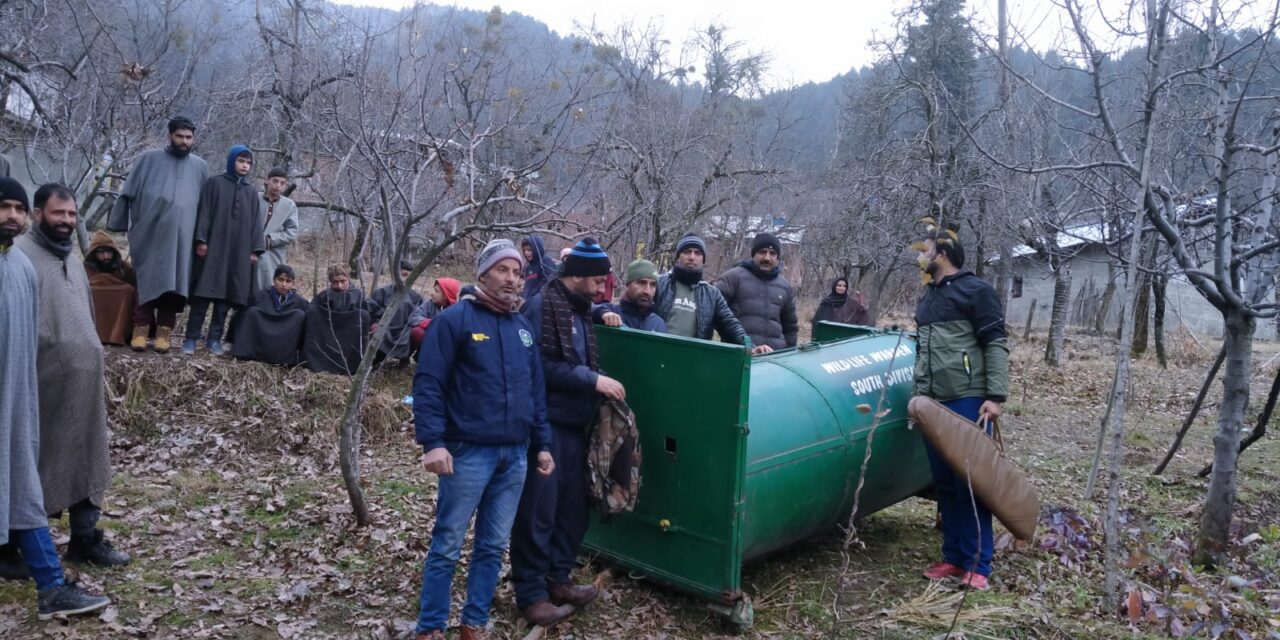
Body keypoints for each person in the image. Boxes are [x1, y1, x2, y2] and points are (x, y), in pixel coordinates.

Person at [412, 240, 558, 640]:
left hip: (515, 455)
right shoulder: (455, 321)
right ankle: (431, 627)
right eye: (503, 270)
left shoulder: (522, 329)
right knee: (447, 544)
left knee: (492, 546)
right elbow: (428, 386)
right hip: (467, 453)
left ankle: (473, 622)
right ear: (482, 275)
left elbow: (536, 394)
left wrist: (542, 444)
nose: (512, 278)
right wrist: (432, 442)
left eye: (516, 271)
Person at [0, 178, 112, 619]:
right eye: (3, 207)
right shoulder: (26, 257)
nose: (11, 215)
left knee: (23, 480)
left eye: (16, 208)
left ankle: (52, 583)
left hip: (19, 394)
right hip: (30, 389)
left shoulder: (18, 266)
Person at [13, 184, 130, 570]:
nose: (65, 221)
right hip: (36, 385)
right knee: (30, 461)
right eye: (57, 213)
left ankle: (84, 537)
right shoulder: (21, 258)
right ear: (37, 213)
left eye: (71, 214)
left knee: (87, 457)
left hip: (83, 385)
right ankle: (11, 542)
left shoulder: (73, 260)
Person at [511, 237, 626, 626]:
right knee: (538, 511)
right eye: (597, 282)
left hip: (576, 425)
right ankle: (530, 593)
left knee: (572, 509)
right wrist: (591, 380)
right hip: (545, 426)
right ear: (577, 276)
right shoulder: (542, 306)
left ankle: (558, 578)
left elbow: (578, 358)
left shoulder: (580, 310)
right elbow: (536, 366)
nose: (601, 289)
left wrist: (600, 378)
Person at [913, 231, 1010, 592]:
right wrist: (918, 400)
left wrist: (996, 396)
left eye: (927, 249)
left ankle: (977, 565)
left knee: (970, 483)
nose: (922, 254)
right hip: (931, 402)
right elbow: (922, 353)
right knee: (945, 484)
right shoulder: (930, 296)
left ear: (946, 252)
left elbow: (996, 343)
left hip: (967, 398)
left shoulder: (976, 291)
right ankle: (953, 558)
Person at [107, 116, 209, 353]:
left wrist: (202, 238)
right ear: (169, 136)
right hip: (150, 233)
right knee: (147, 279)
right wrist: (120, 224)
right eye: (179, 136)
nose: (184, 141)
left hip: (184, 239)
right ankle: (140, 330)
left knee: (174, 284)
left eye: (188, 137)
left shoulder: (200, 167)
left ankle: (164, 333)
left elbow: (206, 207)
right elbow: (128, 192)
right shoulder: (148, 159)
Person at [184, 145, 266, 356]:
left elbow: (257, 224)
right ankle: (191, 339)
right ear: (231, 161)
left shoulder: (251, 193)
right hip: (213, 249)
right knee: (203, 294)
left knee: (226, 298)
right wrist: (201, 240)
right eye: (241, 161)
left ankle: (214, 340)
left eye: (248, 162)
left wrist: (255, 250)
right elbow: (204, 213)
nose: (244, 166)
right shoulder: (215, 183)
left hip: (238, 253)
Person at [653, 234, 762, 352]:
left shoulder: (712, 294)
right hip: (657, 353)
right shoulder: (659, 284)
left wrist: (751, 348)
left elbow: (730, 325)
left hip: (694, 360)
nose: (692, 257)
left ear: (703, 260)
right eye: (687, 252)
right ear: (678, 257)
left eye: (697, 253)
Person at [715, 232, 798, 352]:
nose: (767, 258)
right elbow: (716, 314)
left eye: (772, 253)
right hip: (740, 355)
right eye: (762, 252)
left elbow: (790, 327)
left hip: (775, 358)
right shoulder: (733, 278)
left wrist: (788, 354)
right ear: (754, 254)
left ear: (777, 258)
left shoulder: (785, 287)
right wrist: (742, 346)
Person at [230, 265, 310, 366]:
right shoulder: (259, 296)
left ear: (293, 283)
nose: (283, 284)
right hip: (260, 343)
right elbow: (240, 318)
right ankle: (248, 353)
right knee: (252, 312)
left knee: (299, 315)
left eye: (288, 281)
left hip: (283, 349)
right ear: (273, 280)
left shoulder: (301, 303)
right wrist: (231, 340)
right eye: (280, 280)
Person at [304, 264, 371, 375]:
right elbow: (313, 312)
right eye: (335, 282)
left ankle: (352, 364)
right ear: (330, 282)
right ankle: (318, 361)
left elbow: (366, 314)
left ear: (348, 279)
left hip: (350, 338)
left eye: (343, 281)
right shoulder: (324, 296)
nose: (339, 286)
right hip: (327, 335)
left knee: (363, 315)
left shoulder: (357, 295)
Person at [83, 231, 137, 346]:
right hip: (88, 332)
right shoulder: (85, 269)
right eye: (101, 252)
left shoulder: (123, 268)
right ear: (93, 253)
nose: (106, 256)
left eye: (109, 251)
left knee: (128, 291)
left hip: (122, 330)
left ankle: (118, 335)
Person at [366, 261, 424, 367]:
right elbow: (371, 313)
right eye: (403, 275)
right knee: (376, 330)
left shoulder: (416, 297)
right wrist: (376, 324)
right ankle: (378, 357)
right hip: (384, 327)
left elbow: (419, 317)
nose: (405, 279)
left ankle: (404, 358)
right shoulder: (381, 292)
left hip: (404, 331)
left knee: (417, 332)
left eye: (409, 276)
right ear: (396, 274)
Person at [255, 167, 300, 294]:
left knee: (268, 288)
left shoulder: (289, 205)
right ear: (267, 180)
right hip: (249, 251)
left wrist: (270, 239)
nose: (277, 186)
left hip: (273, 254)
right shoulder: (254, 198)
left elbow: (292, 231)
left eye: (282, 183)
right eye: (275, 181)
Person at [591, 259, 667, 332]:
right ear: (627, 285)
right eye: (641, 283)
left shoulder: (658, 324)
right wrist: (602, 313)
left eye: (653, 285)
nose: (647, 291)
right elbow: (584, 308)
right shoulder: (609, 312)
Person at [408, 278, 461, 359]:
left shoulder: (455, 311)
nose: (432, 293)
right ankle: (409, 357)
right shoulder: (430, 304)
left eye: (436, 291)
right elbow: (414, 316)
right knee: (417, 332)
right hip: (428, 339)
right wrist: (429, 323)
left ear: (446, 296)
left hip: (444, 346)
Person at [521, 235, 559, 301]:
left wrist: (535, 296)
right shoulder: (528, 267)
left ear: (536, 249)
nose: (526, 253)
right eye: (524, 250)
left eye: (529, 250)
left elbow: (550, 282)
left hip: (541, 304)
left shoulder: (545, 262)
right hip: (527, 303)